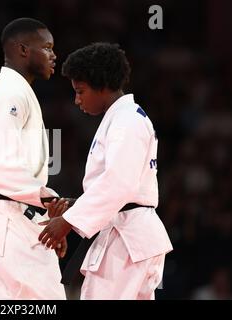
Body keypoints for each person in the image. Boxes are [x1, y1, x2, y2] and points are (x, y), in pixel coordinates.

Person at [39, 42, 173, 300]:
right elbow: (120, 185)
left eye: (80, 91)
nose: (77, 100)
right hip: (130, 235)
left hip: (127, 239)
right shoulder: (123, 118)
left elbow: (118, 184)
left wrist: (67, 222)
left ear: (100, 85)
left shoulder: (126, 121)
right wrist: (75, 205)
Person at [0, 17, 67, 299]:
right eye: (47, 47)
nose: (53, 55)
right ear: (23, 50)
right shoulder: (8, 92)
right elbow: (1, 164)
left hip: (14, 214)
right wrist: (49, 200)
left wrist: (46, 213)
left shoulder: (13, 90)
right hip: (8, 215)